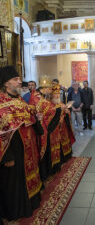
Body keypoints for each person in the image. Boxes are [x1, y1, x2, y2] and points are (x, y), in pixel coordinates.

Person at [0, 66, 43, 222]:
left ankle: (30, 203)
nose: (20, 82)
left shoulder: (19, 101)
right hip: (14, 153)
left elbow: (31, 119)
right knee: (15, 183)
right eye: (15, 80)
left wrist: (37, 120)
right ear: (6, 83)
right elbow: (2, 134)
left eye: (19, 79)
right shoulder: (1, 103)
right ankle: (17, 210)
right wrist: (7, 157)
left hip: (28, 150)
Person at [33, 76, 62, 182]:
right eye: (49, 89)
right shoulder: (37, 98)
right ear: (44, 88)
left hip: (45, 128)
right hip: (40, 129)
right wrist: (58, 108)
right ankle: (43, 175)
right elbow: (48, 109)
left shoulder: (41, 97)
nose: (50, 91)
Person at [50, 85, 75, 164]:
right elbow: (51, 115)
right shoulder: (50, 104)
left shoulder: (61, 102)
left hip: (64, 126)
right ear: (51, 95)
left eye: (58, 93)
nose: (57, 95)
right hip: (56, 127)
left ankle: (67, 155)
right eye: (55, 94)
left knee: (65, 140)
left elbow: (65, 113)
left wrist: (67, 112)